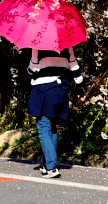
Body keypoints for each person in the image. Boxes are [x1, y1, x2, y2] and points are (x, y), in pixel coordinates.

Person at [27, 47, 81, 178]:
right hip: (60, 90)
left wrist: (29, 70)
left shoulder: (38, 45)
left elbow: (33, 69)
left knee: (43, 127)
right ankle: (47, 164)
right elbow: (74, 66)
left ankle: (51, 167)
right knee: (52, 127)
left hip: (44, 91)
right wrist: (80, 86)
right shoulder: (66, 45)